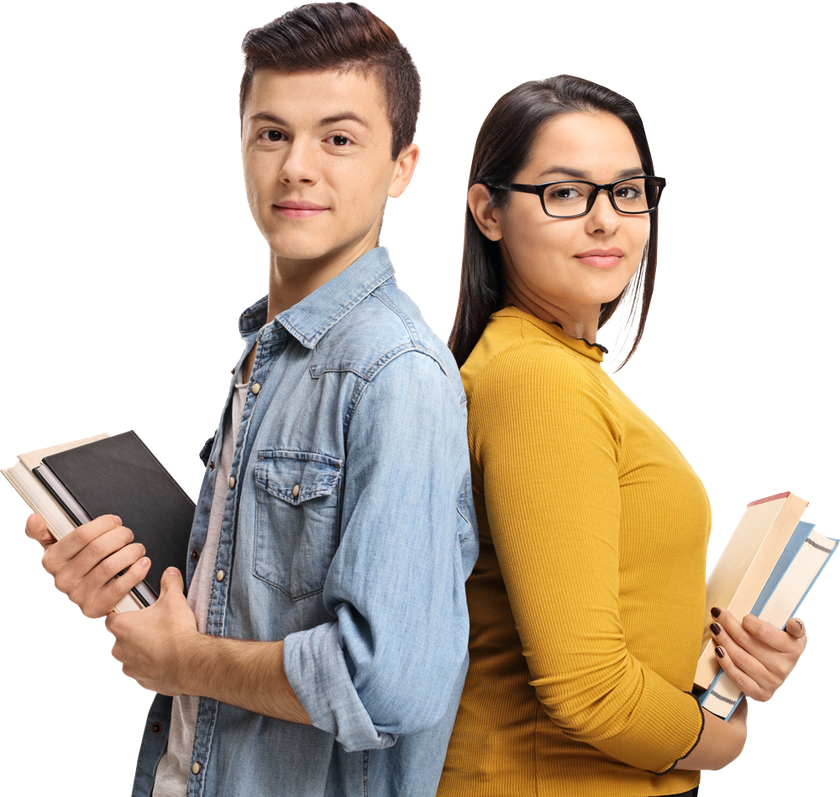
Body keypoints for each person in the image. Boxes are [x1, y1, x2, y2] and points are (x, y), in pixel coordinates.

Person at [23, 4, 478, 796]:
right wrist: (130, 593)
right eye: (272, 134)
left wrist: (183, 660)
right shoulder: (267, 352)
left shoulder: (396, 374)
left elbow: (391, 680)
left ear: (404, 167)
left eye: (338, 139)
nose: (297, 166)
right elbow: (246, 601)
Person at [436, 74, 809, 797]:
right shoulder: (538, 381)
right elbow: (586, 688)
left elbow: (614, 602)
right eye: (567, 193)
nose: (606, 220)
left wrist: (733, 651)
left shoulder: (562, 372)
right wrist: (720, 742)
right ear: (488, 210)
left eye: (628, 191)